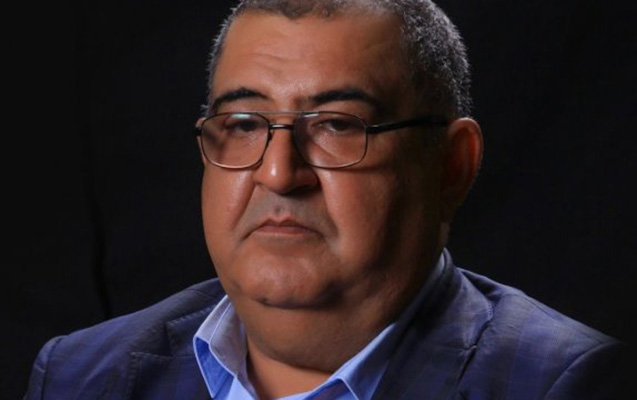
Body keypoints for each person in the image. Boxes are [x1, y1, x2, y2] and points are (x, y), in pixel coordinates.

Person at [25, 0, 628, 399]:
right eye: (244, 123)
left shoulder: (571, 385)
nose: (279, 173)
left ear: (452, 168)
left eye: (337, 125)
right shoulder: (82, 377)